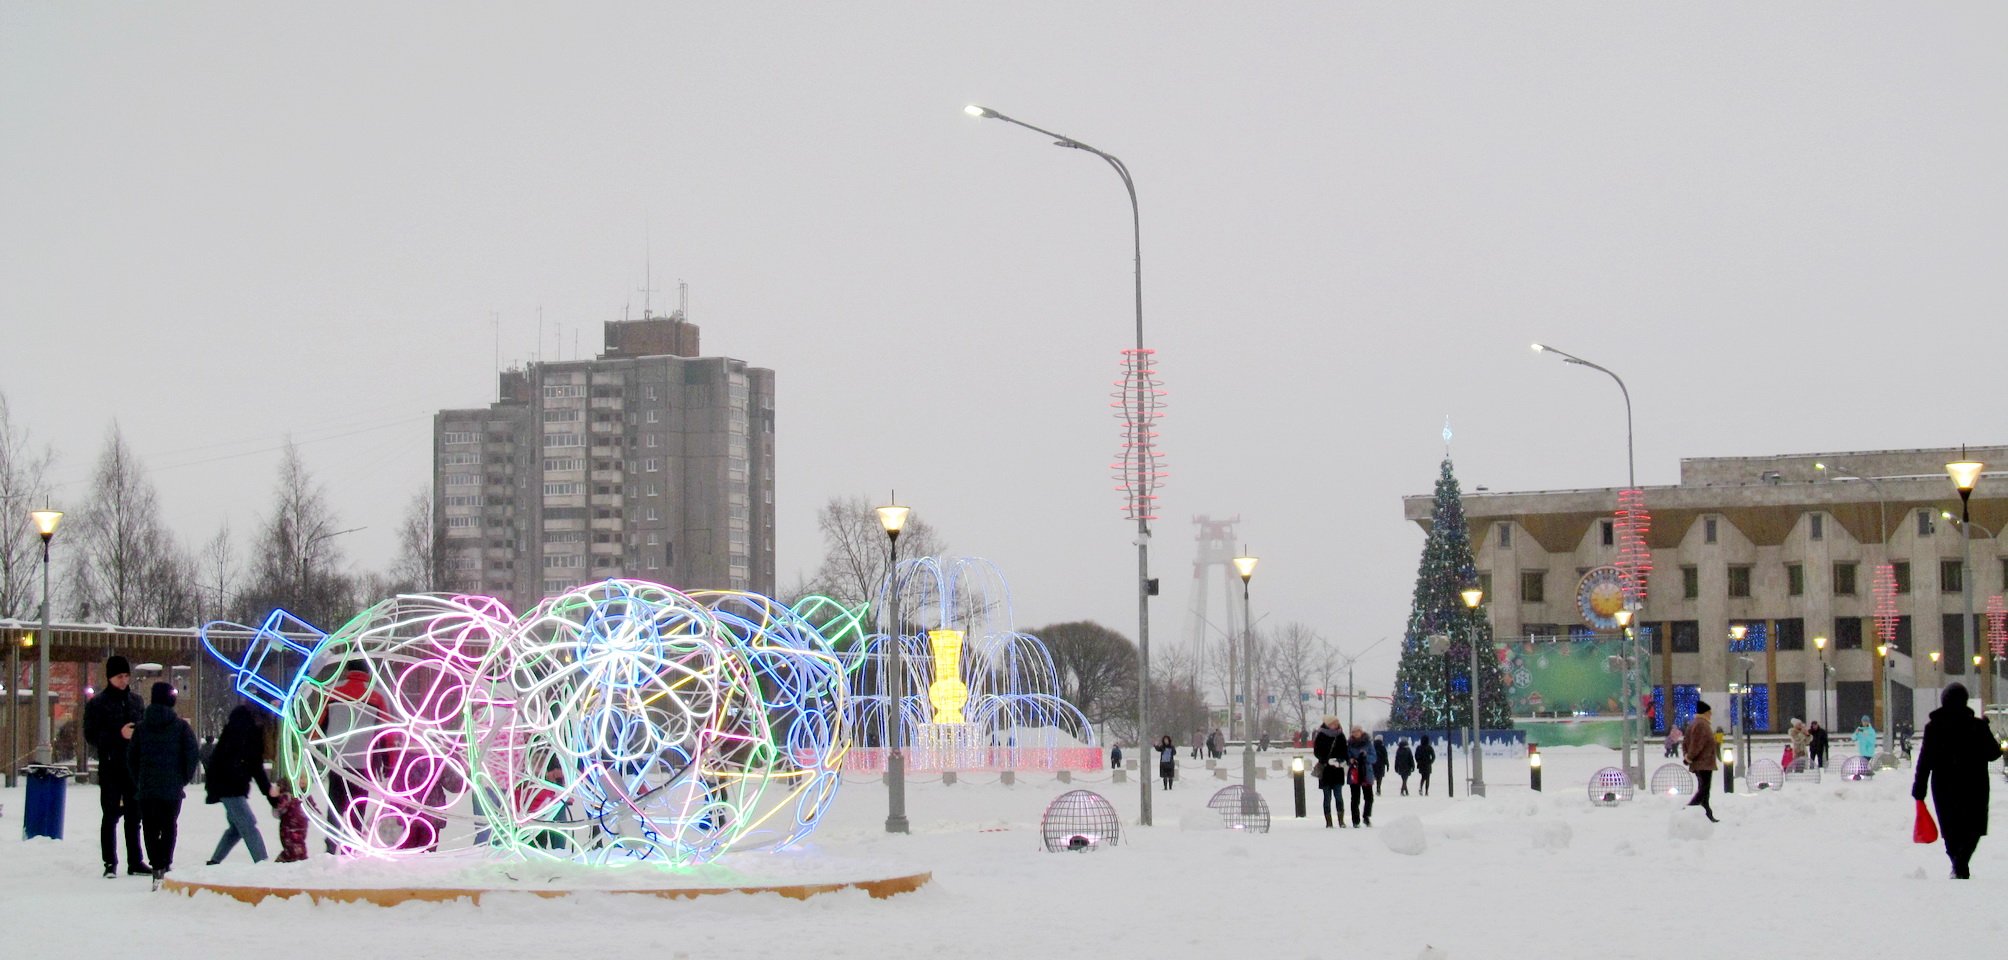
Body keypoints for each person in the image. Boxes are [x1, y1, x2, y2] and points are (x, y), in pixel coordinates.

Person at [1912, 683, 2002, 879]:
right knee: (1973, 826)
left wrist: (1919, 788)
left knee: (1950, 826)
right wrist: (1986, 729)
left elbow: (1925, 759)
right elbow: (1994, 754)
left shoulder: (1934, 727)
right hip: (1975, 785)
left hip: (1944, 786)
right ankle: (1961, 863)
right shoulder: (1977, 726)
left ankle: (1958, 864)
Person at [82, 655, 148, 878]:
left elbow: (144, 729)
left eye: (127, 676)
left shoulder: (136, 702)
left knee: (134, 816)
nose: (124, 680)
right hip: (110, 766)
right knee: (110, 815)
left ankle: (135, 861)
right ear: (110, 677)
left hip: (132, 767)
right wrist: (118, 735)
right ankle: (110, 862)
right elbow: (91, 735)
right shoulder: (97, 704)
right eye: (120, 676)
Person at [128, 681, 199, 887]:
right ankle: (165, 863)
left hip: (147, 789)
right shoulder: (181, 727)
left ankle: (156, 866)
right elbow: (191, 755)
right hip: (172, 789)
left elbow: (131, 758)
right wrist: (181, 779)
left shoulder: (141, 728)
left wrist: (140, 780)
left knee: (149, 827)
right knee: (169, 826)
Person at [204, 705, 275, 865]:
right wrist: (270, 795)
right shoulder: (249, 730)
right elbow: (255, 765)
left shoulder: (239, 725)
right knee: (248, 824)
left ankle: (214, 862)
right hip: (230, 786)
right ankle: (262, 863)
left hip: (227, 783)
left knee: (237, 828)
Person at [1682, 702, 1719, 822]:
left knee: (1704, 789)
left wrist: (1688, 756)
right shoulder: (1701, 725)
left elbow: (1686, 742)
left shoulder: (1697, 724)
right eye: (1709, 712)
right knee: (1704, 789)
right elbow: (1697, 744)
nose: (1711, 714)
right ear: (1705, 713)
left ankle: (1707, 813)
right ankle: (1689, 810)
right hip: (1703, 762)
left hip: (1703, 762)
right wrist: (1689, 757)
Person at [1310, 716, 1347, 828]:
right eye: (1333, 723)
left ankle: (1341, 821)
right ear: (1327, 724)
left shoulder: (1340, 735)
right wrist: (1326, 759)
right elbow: (1317, 751)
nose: (1335, 725)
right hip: (1325, 770)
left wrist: (1339, 760)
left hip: (1337, 770)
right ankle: (1328, 821)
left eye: (1336, 723)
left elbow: (1345, 750)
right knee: (1327, 797)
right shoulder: (1321, 735)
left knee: (1338, 795)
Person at [271, 780, 309, 863]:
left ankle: (281, 865)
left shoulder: (305, 797)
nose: (302, 782)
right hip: (289, 830)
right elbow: (277, 810)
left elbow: (312, 808)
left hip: (298, 829)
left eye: (304, 779)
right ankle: (280, 865)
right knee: (293, 850)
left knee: (297, 850)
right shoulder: (286, 797)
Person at [1346, 726, 1377, 826]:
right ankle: (1355, 820)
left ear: (1361, 732)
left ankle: (1366, 816)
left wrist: (1365, 757)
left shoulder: (1368, 743)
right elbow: (1347, 756)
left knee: (1369, 797)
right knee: (1355, 798)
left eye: (1357, 731)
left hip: (1366, 773)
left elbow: (1374, 758)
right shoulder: (1349, 744)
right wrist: (1350, 759)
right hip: (1354, 773)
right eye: (1353, 732)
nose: (1355, 733)